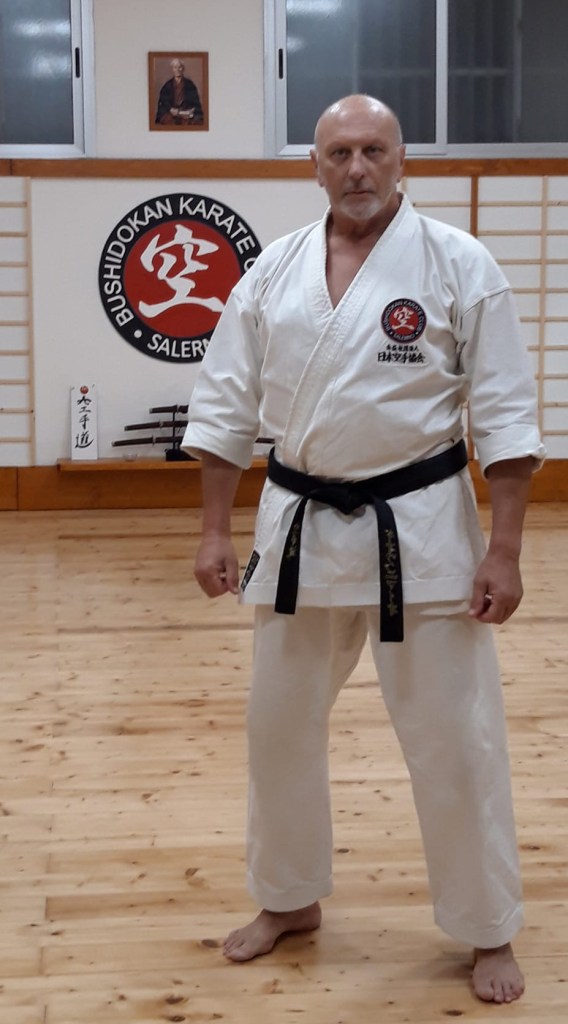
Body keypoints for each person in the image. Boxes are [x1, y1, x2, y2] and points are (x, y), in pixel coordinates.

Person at [182, 95, 545, 1004]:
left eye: (373, 150)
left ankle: (487, 925)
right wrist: (215, 528)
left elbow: (506, 416)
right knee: (277, 728)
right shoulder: (273, 271)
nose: (357, 168)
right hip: (299, 527)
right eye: (339, 152)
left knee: (455, 737)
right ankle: (289, 896)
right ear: (315, 166)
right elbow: (224, 406)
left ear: (401, 159)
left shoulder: (459, 264)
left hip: (421, 527)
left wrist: (504, 550)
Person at [155, 58, 204, 126]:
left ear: (183, 69)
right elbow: (163, 102)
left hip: (186, 112)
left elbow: (195, 103)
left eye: (180, 67)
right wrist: (170, 109)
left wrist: (190, 111)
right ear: (172, 69)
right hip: (171, 113)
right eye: (175, 67)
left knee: (195, 122)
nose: (177, 70)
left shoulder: (190, 84)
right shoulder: (167, 86)